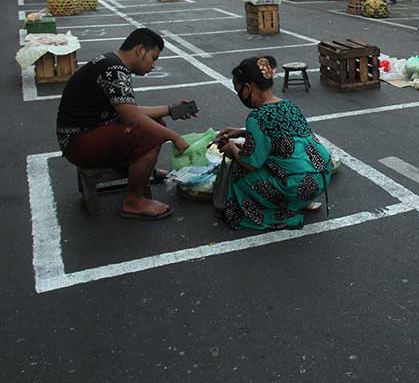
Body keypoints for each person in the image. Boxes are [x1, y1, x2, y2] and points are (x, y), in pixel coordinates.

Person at [56, 28, 195, 220]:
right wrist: (175, 137)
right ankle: (134, 201)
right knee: (151, 133)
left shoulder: (110, 63)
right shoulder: (114, 69)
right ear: (140, 50)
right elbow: (133, 117)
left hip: (87, 134)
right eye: (153, 58)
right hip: (78, 142)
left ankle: (141, 170)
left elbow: (129, 110)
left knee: (155, 124)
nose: (153, 65)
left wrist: (171, 109)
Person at [218, 57, 332, 231]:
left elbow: (250, 163)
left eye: (238, 90)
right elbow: (279, 132)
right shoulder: (288, 105)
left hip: (296, 186)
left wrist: (231, 148)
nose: (239, 95)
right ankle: (300, 202)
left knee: (238, 170)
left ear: (248, 88)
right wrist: (242, 132)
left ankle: (274, 213)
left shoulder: (257, 116)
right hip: (321, 178)